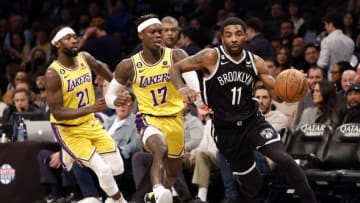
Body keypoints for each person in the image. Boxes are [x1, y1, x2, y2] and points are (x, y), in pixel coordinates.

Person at [169, 17, 317, 203]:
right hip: (227, 130)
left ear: (246, 36)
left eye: (239, 34)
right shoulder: (210, 57)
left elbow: (277, 94)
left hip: (252, 121)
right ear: (222, 38)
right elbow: (174, 69)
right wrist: (182, 88)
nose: (234, 39)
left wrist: (297, 84)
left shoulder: (256, 62)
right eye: (228, 35)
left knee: (284, 159)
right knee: (252, 184)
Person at [105, 14, 199, 203]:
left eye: (160, 32)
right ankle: (156, 189)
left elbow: (196, 90)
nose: (159, 35)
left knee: (172, 172)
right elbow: (109, 96)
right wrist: (115, 101)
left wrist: (199, 102)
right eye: (153, 32)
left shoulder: (177, 56)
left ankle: (153, 196)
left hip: (175, 119)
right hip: (148, 118)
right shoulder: (128, 66)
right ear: (141, 34)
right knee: (159, 147)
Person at [44, 26, 127, 203]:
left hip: (89, 122)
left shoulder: (85, 58)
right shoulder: (53, 74)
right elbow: (57, 112)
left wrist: (119, 87)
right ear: (58, 44)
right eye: (68, 37)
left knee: (118, 168)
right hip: (68, 129)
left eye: (75, 36)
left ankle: (107, 199)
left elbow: (101, 66)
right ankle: (119, 200)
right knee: (103, 170)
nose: (74, 40)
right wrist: (90, 108)